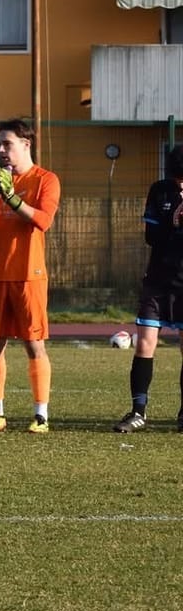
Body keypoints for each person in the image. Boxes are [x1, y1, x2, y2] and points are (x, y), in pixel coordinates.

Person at [0, 117, 60, 433]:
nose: (1, 150)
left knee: (34, 344)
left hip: (28, 275)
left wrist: (12, 199)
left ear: (25, 144)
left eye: (7, 143)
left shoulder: (46, 179)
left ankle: (41, 415)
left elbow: (43, 220)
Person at [117, 143, 183, 432]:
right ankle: (138, 411)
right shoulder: (159, 190)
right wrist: (174, 219)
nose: (180, 185)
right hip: (157, 280)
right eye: (177, 179)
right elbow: (151, 236)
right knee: (144, 343)